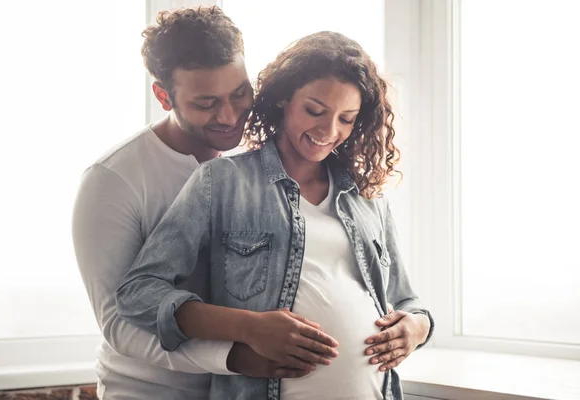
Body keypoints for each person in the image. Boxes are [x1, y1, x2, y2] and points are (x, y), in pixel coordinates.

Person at [116, 31, 434, 400]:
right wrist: (249, 328)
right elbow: (138, 294)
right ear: (284, 97)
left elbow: (407, 301)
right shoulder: (222, 182)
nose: (328, 131)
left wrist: (417, 327)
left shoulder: (366, 198)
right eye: (314, 111)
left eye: (346, 119)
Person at [72, 7, 333, 400]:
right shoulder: (112, 180)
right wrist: (237, 355)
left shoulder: (257, 164)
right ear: (163, 96)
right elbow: (119, 324)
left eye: (239, 93)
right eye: (206, 102)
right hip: (147, 392)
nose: (229, 116)